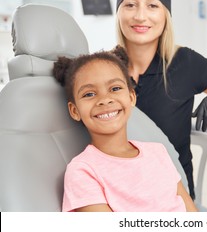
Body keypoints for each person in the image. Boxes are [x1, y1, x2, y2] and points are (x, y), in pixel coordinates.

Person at [115, 0, 207, 199]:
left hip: (173, 194)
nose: (140, 16)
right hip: (118, 191)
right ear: (119, 12)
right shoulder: (104, 68)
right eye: (130, 5)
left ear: (165, 14)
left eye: (152, 5)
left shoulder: (185, 62)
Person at [53, 47, 197, 212]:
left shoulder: (158, 152)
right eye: (89, 94)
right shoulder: (83, 171)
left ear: (131, 97)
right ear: (75, 111)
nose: (105, 100)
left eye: (115, 89)